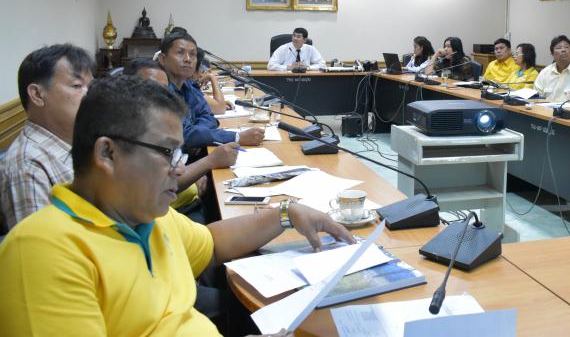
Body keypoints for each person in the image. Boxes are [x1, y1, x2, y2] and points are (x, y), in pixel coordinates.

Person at [0, 75, 353, 335]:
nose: (180, 169)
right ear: (107, 153)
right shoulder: (44, 251)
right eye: (166, 152)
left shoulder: (144, 214)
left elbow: (212, 243)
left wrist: (287, 213)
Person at [123, 59, 239, 221]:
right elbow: (157, 185)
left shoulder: (177, 100)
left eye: (165, 91)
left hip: (184, 201)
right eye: (151, 89)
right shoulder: (128, 132)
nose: (188, 59)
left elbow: (208, 117)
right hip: (171, 211)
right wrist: (208, 162)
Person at [0, 44, 94, 230]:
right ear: (37, 94)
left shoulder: (81, 138)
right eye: (77, 86)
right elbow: (38, 244)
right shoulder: (28, 166)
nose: (89, 95)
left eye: (90, 87)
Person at [159, 31, 264, 150]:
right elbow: (184, 135)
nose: (188, 59)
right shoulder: (160, 91)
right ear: (163, 59)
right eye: (180, 53)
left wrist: (197, 132)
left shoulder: (188, 86)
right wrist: (236, 137)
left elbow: (209, 117)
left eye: (192, 54)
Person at [193, 49, 230, 116]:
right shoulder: (189, 89)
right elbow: (220, 109)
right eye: (201, 68)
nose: (202, 73)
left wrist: (215, 103)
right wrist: (212, 76)